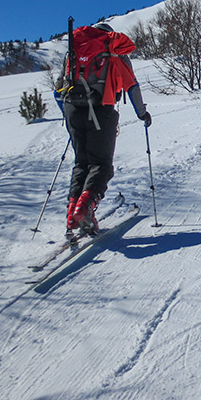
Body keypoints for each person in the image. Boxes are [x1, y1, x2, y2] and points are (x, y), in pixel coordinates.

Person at [56, 22, 151, 243]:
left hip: (72, 110)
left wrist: (69, 115)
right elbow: (132, 86)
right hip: (101, 110)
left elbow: (58, 88)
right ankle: (86, 209)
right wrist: (142, 114)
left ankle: (72, 214)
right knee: (101, 164)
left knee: (82, 163)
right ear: (110, 35)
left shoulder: (74, 49)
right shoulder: (113, 50)